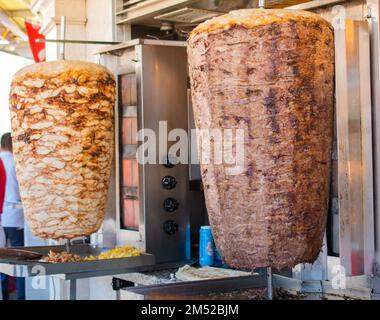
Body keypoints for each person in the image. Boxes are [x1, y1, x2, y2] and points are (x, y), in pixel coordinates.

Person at [0, 132, 25, 300]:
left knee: (2, 262)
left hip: (4, 218)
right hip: (16, 217)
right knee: (22, 263)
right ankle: (22, 295)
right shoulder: (17, 162)